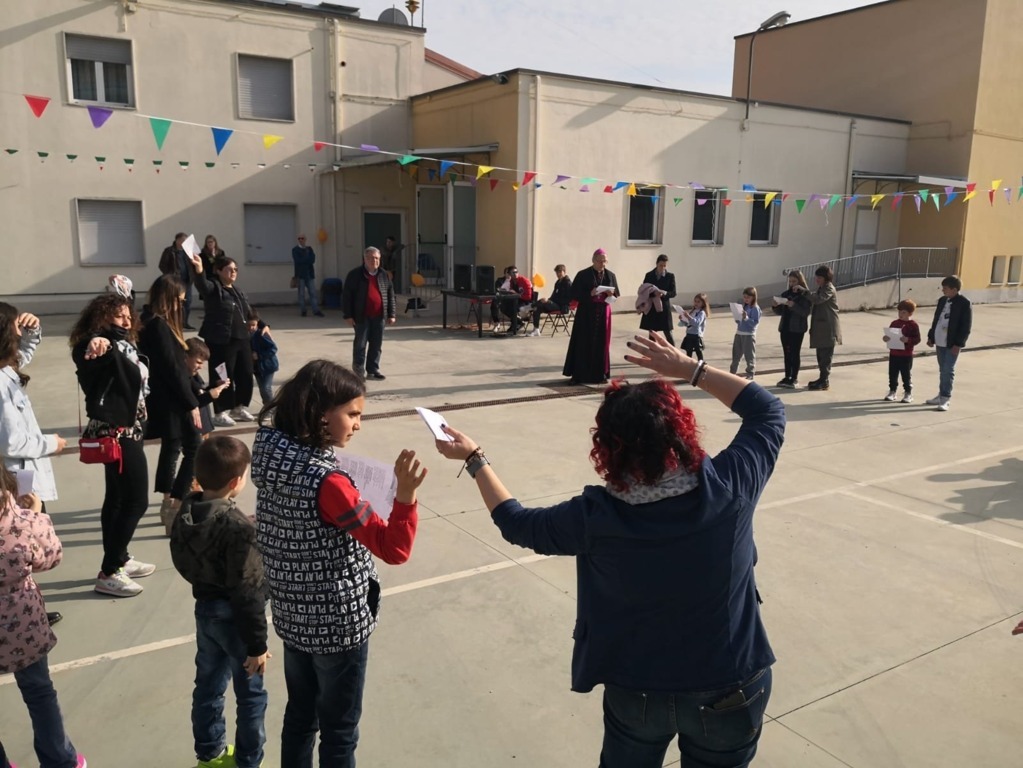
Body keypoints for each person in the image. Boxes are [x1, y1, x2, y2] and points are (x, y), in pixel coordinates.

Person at [434, 332, 783, 768]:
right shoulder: (730, 486)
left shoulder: (595, 517)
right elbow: (767, 411)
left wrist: (475, 459)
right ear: (681, 432)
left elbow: (516, 523)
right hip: (730, 684)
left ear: (607, 448)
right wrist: (689, 368)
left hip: (638, 688)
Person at [250, 360, 427, 767]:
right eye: (352, 414)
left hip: (293, 617)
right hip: (336, 624)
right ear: (319, 414)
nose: (358, 424)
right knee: (339, 731)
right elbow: (394, 549)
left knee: (300, 716)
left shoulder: (272, 454)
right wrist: (405, 496)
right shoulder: (328, 483)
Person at [170, 435, 269, 768]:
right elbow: (247, 591)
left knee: (208, 686)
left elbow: (181, 554)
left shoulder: (186, 511)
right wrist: (257, 645)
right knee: (251, 694)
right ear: (235, 482)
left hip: (206, 610)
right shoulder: (239, 529)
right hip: (236, 619)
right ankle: (248, 760)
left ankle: (210, 754)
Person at [70, 292, 156, 598]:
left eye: (129, 316)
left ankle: (120, 557)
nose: (127, 321)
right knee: (137, 501)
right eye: (119, 316)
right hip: (118, 433)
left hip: (131, 429)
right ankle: (109, 572)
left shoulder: (124, 344)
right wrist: (98, 341)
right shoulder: (95, 345)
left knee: (117, 498)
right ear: (102, 317)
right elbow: (91, 350)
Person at [0, 468, 87, 768]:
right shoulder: (22, 522)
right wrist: (36, 513)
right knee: (39, 691)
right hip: (23, 625)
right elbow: (51, 556)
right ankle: (59, 760)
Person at [138, 275, 202, 537]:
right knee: (193, 446)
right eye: (179, 300)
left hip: (164, 397)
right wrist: (192, 403)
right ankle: (175, 501)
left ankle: (169, 502)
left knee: (173, 445)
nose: (181, 306)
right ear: (168, 299)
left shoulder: (149, 321)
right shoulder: (158, 326)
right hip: (171, 399)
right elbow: (173, 369)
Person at [0, 304, 66, 505]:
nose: (20, 333)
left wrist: (33, 330)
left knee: (33, 517)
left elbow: (22, 355)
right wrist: (52, 444)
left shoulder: (6, 369)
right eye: (16, 327)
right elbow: (11, 443)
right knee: (30, 521)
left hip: (20, 475)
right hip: (14, 478)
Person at [191, 254, 256, 427]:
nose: (233, 272)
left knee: (246, 373)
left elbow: (248, 311)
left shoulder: (238, 291)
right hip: (221, 339)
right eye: (229, 269)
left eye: (235, 269)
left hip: (241, 338)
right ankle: (220, 412)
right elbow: (202, 285)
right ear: (218, 271)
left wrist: (260, 323)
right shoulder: (214, 288)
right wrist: (199, 270)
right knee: (223, 376)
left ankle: (238, 407)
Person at [563, 248, 620, 384]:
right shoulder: (583, 275)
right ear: (593, 260)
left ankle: (601, 374)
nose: (602, 264)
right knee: (582, 343)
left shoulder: (610, 275)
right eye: (600, 261)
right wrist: (590, 293)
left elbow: (616, 293)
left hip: (603, 314)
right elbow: (574, 294)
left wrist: (611, 294)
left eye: (605, 261)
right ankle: (578, 375)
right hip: (586, 314)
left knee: (602, 344)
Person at [341, 247, 397, 381]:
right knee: (360, 345)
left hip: (379, 316)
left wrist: (392, 314)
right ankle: (358, 372)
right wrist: (348, 315)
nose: (374, 261)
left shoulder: (384, 275)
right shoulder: (355, 275)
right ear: (365, 259)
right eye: (371, 258)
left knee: (376, 345)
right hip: (361, 316)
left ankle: (373, 370)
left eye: (377, 258)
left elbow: (390, 295)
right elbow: (346, 297)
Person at [925, 275, 972, 412]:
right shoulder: (942, 300)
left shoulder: (964, 303)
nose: (943, 290)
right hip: (940, 340)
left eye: (945, 288)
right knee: (942, 370)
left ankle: (945, 398)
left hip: (952, 343)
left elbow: (966, 326)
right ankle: (941, 395)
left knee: (948, 370)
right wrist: (931, 336)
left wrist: (959, 344)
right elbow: (936, 319)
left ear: (954, 289)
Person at [771, 270, 812, 388]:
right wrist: (775, 306)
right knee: (787, 353)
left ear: (800, 281)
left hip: (797, 329)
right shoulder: (786, 294)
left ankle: (794, 377)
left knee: (795, 352)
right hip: (785, 327)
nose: (792, 284)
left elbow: (805, 312)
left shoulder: (805, 295)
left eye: (794, 281)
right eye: (790, 281)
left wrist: (793, 305)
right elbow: (780, 311)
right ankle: (787, 376)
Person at [185, 337, 230, 439]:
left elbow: (200, 391)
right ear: (186, 357)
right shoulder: (183, 378)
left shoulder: (193, 374)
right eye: (198, 362)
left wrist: (214, 386)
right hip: (194, 427)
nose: (201, 367)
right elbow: (191, 402)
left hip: (203, 426)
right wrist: (210, 395)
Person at [807, 265, 842, 391]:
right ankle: (822, 378)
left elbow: (818, 300)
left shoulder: (829, 288)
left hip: (828, 329)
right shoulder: (822, 288)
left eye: (820, 277)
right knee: (820, 355)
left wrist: (804, 292)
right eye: (816, 277)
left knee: (826, 356)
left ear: (826, 278)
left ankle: (824, 380)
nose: (817, 279)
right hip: (821, 328)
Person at [883, 299, 921, 403]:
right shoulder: (894, 323)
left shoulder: (913, 325)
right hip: (894, 353)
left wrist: (908, 340)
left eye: (903, 312)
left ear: (910, 313)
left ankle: (908, 393)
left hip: (906, 354)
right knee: (892, 374)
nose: (901, 314)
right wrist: (886, 338)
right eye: (899, 312)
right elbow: (890, 335)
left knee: (906, 374)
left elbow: (917, 339)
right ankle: (892, 391)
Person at [638, 254, 677, 346]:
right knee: (652, 332)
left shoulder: (670, 276)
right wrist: (654, 294)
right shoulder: (649, 275)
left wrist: (664, 294)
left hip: (664, 308)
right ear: (656, 264)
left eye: (664, 266)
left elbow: (673, 293)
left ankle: (674, 352)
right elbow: (644, 291)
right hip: (651, 307)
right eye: (661, 265)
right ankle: (652, 352)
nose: (662, 268)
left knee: (668, 332)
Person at [159, 232, 196, 330]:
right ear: (177, 240)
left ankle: (184, 322)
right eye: (183, 240)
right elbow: (162, 265)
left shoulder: (188, 251)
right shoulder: (169, 251)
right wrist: (170, 276)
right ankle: (174, 322)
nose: (185, 242)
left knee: (187, 302)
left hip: (187, 281)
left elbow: (192, 265)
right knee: (174, 302)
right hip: (175, 282)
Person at [529, 264, 573, 336]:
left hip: (562, 306)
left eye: (560, 272)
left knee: (541, 303)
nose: (558, 274)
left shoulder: (568, 283)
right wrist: (548, 300)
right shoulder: (557, 282)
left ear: (564, 271)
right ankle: (536, 329)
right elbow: (554, 296)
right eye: (557, 272)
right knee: (537, 308)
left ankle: (529, 306)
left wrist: (549, 301)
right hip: (554, 304)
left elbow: (569, 299)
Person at [247, 309, 279, 406]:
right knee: (262, 389)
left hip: (267, 366)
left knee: (266, 388)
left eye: (253, 325)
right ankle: (267, 406)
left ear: (257, 323)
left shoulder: (261, 334)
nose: (251, 328)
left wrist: (260, 355)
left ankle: (271, 408)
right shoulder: (246, 335)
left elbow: (273, 348)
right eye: (249, 325)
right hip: (257, 368)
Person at [729, 287, 761, 380]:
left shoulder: (755, 308)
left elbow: (754, 323)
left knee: (749, 355)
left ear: (753, 297)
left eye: (748, 297)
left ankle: (750, 373)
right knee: (736, 355)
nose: (746, 299)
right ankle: (732, 373)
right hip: (739, 333)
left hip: (748, 335)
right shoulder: (744, 306)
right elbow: (740, 321)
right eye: (744, 297)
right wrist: (738, 318)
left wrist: (746, 318)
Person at [292, 235, 324, 318]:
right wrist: (307, 259)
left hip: (309, 274)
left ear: (305, 239)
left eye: (302, 238)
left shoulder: (309, 249)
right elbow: (298, 261)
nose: (300, 240)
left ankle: (316, 310)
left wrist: (305, 260)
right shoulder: (295, 250)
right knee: (301, 294)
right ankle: (303, 310)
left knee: (313, 293)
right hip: (300, 275)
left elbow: (312, 260)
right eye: (299, 238)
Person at [497, 265, 533, 336]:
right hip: (517, 300)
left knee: (512, 308)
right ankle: (517, 321)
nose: (515, 274)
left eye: (516, 272)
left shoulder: (524, 281)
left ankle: (516, 322)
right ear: (509, 274)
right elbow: (512, 291)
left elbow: (528, 297)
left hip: (526, 301)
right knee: (503, 306)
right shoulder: (512, 281)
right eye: (513, 273)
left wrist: (516, 294)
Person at [678, 293, 709, 361]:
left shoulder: (701, 313)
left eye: (698, 302)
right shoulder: (692, 311)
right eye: (695, 301)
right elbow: (687, 323)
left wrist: (688, 317)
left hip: (696, 335)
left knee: (698, 351)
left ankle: (701, 363)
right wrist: (682, 318)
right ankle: (689, 363)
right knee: (688, 351)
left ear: (703, 303)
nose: (696, 303)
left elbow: (696, 323)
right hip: (689, 334)